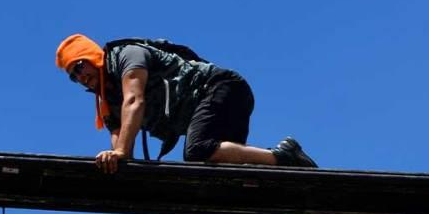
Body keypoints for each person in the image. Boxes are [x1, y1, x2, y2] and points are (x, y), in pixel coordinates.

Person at [55, 34, 317, 174]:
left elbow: (135, 100)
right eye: (73, 76)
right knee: (225, 175)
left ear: (92, 57)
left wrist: (122, 153)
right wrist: (116, 161)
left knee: (197, 152)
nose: (80, 77)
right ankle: (282, 163)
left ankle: (283, 155)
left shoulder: (126, 56)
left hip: (221, 88)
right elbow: (118, 136)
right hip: (213, 104)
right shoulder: (107, 99)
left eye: (79, 67)